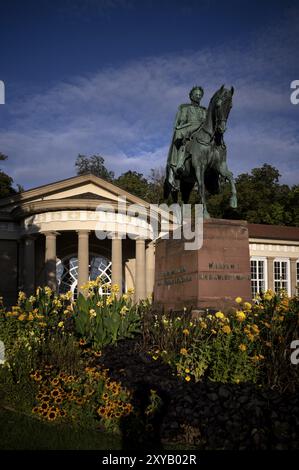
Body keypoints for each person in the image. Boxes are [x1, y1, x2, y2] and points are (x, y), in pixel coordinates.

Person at [165, 86, 207, 191]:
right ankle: (176, 165)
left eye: (200, 95)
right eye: (196, 94)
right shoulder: (185, 108)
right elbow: (180, 122)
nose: (198, 97)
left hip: (202, 130)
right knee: (181, 138)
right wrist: (183, 127)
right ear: (191, 96)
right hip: (189, 128)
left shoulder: (204, 110)